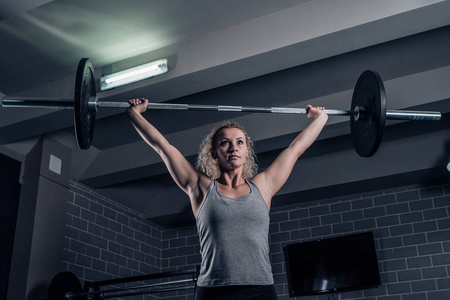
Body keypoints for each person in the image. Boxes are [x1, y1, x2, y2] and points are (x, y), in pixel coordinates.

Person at [127, 98, 328, 300]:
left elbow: (296, 149)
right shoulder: (201, 187)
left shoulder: (263, 187)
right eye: (225, 143)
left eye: (239, 142)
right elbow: (163, 147)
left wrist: (321, 117)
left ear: (246, 151)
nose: (233, 148)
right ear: (214, 153)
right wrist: (135, 114)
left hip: (260, 289)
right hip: (214, 291)